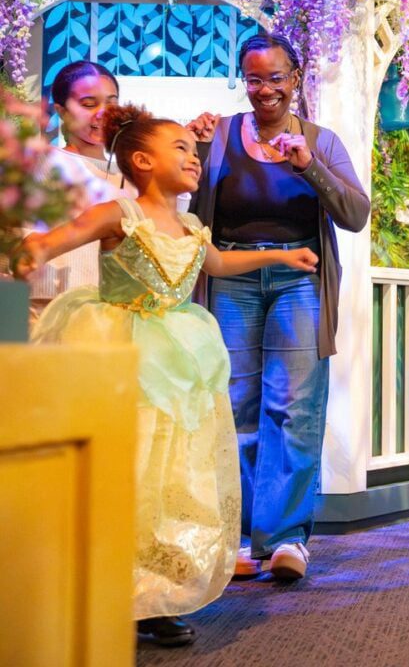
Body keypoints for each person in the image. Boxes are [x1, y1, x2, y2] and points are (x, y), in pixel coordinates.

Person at [15, 104, 319, 646]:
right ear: (142, 160)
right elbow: (57, 239)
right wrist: (29, 248)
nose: (194, 156)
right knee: (125, 468)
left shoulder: (192, 225)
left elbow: (219, 264)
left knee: (170, 475)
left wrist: (280, 254)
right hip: (122, 353)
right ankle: (106, 590)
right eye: (180, 148)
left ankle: (154, 594)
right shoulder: (118, 214)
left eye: (194, 149)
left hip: (178, 356)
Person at [186, 33, 370, 581]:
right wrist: (193, 152)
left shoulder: (321, 140)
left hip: (299, 281)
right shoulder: (217, 135)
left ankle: (286, 538)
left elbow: (356, 214)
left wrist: (309, 165)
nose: (264, 89)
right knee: (236, 405)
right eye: (254, 78)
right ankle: (244, 535)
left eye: (275, 77)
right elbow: (187, 207)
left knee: (295, 407)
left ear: (296, 78)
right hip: (232, 278)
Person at [26, 60, 129, 320]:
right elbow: (22, 241)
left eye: (112, 102)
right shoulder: (44, 162)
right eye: (88, 104)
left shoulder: (126, 173)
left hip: (112, 311)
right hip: (53, 311)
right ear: (61, 110)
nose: (103, 113)